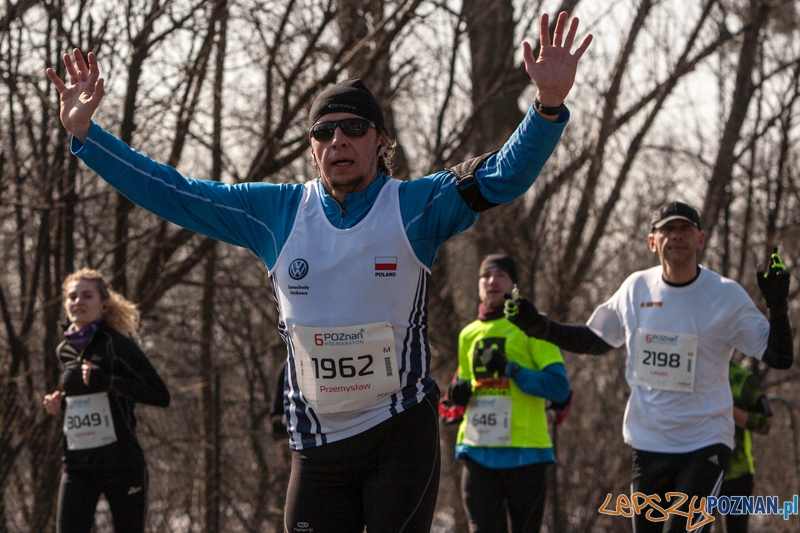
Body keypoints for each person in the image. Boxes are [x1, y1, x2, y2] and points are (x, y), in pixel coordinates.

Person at [46, 12, 592, 532]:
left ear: (381, 142)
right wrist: (88, 137)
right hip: (316, 445)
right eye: (324, 133)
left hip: (398, 435)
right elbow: (177, 193)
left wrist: (545, 107)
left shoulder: (416, 205)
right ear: (311, 151)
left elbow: (501, 177)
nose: (339, 142)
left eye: (354, 128)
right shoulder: (278, 213)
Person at [504, 202, 793, 533]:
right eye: (667, 230)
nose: (676, 237)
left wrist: (778, 306)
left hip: (705, 441)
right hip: (649, 442)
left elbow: (779, 357)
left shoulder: (724, 295)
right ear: (652, 241)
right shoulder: (635, 288)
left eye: (684, 229)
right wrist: (540, 327)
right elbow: (594, 341)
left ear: (700, 239)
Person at [446, 255, 571, 533]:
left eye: (500, 274)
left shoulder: (532, 328)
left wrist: (512, 371)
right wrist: (459, 394)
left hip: (525, 455)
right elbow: (467, 385)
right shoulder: (468, 334)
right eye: (485, 276)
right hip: (477, 452)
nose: (492, 281)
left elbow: (559, 389)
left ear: (514, 284)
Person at [43, 268, 170, 533]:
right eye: (72, 296)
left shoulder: (118, 345)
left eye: (86, 296)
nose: (78, 302)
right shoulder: (64, 350)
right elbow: (83, 399)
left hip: (121, 464)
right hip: (78, 465)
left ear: (103, 305)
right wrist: (60, 404)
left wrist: (108, 381)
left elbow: (160, 395)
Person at [716, 360, 772, 533]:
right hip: (693, 469)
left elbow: (765, 422)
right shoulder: (688, 373)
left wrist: (729, 411)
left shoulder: (741, 378)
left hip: (736, 473)